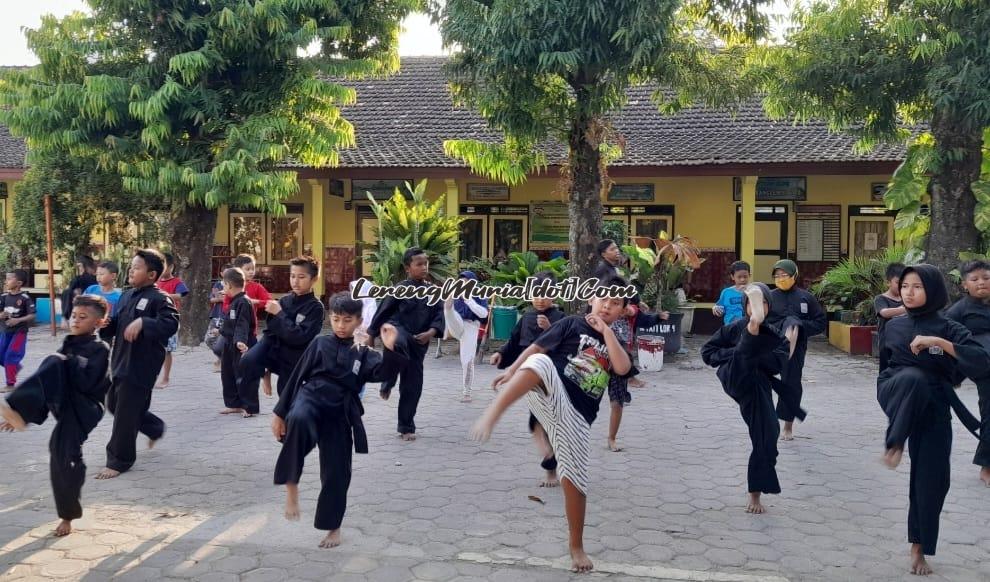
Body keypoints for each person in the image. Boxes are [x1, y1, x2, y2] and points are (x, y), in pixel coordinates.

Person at [470, 286, 634, 574]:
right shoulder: (571, 323)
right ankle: (494, 413)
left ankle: (576, 547)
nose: (608, 306)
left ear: (623, 311)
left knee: (576, 483)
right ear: (590, 300)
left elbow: (621, 368)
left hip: (579, 418)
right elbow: (535, 347)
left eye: (616, 303)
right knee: (539, 361)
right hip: (551, 392)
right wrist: (510, 370)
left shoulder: (616, 340)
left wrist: (606, 333)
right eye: (603, 299)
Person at [877, 264, 989, 576]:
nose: (908, 293)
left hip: (934, 404)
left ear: (933, 291)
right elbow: (884, 365)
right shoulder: (895, 325)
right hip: (896, 392)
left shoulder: (948, 326)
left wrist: (938, 343)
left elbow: (980, 360)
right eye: (905, 286)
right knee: (913, 377)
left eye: (917, 287)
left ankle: (919, 548)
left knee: (933, 479)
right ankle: (895, 442)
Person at [271, 292, 394, 549]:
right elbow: (297, 377)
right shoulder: (319, 343)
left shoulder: (364, 352)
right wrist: (279, 414)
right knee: (299, 418)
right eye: (336, 319)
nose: (340, 325)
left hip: (340, 408)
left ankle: (332, 527)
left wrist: (391, 348)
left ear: (359, 321)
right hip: (312, 396)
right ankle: (291, 487)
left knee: (337, 471)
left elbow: (383, 371)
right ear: (330, 318)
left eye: (347, 320)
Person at [0, 295, 111, 536]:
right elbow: (50, 383)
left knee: (64, 453)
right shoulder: (69, 344)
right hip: (66, 402)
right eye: (73, 316)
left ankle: (67, 516)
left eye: (83, 317)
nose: (76, 321)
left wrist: (64, 362)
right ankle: (19, 411)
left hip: (86, 407)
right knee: (60, 452)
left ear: (99, 322)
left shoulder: (100, 348)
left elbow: (87, 381)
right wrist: (22, 414)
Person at [702, 283, 789, 514]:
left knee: (768, 436)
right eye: (752, 303)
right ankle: (751, 332)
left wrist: (755, 354)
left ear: (768, 307)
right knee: (744, 353)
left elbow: (779, 363)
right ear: (745, 306)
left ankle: (756, 492)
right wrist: (738, 352)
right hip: (735, 376)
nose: (757, 306)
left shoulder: (775, 333)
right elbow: (707, 353)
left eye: (762, 303)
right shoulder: (732, 328)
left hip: (757, 385)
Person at [96, 249, 179, 480]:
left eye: (137, 267)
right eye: (131, 266)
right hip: (121, 360)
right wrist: (105, 325)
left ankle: (119, 460)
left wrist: (144, 322)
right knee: (114, 403)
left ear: (152, 274)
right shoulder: (126, 296)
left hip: (142, 365)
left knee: (124, 412)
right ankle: (153, 427)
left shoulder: (160, 299)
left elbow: (170, 324)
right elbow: (117, 325)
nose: (131, 270)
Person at [490, 272, 566, 485]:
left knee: (549, 423)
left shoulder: (561, 319)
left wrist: (549, 329)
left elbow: (565, 346)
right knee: (535, 424)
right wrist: (501, 354)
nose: (540, 299)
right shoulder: (526, 318)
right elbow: (514, 341)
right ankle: (550, 462)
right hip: (530, 381)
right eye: (536, 294)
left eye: (546, 294)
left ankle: (553, 467)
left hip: (552, 379)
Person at [365, 247, 444, 441]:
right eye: (419, 264)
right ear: (407, 268)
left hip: (419, 344)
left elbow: (439, 316)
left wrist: (431, 333)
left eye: (426, 263)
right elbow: (383, 311)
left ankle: (406, 427)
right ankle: (388, 380)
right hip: (398, 331)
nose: (424, 267)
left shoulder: (433, 291)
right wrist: (371, 335)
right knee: (398, 340)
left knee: (412, 387)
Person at [239, 256, 325, 398]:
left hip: (295, 355)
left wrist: (280, 315)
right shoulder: (285, 300)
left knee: (285, 394)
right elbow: (271, 327)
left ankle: (291, 416)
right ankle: (265, 372)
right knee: (247, 361)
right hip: (274, 346)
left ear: (314, 279)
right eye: (292, 276)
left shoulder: (316, 308)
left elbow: (299, 336)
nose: (295, 281)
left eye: (301, 277)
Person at [766, 259, 826, 441]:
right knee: (760, 381)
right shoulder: (769, 296)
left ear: (794, 275)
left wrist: (799, 326)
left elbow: (820, 323)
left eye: (784, 275)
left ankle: (787, 425)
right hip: (771, 344)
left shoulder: (806, 297)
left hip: (796, 348)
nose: (781, 278)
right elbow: (760, 319)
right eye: (777, 275)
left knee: (791, 383)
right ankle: (765, 420)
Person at [945, 259, 990, 486]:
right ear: (965, 285)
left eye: (986, 278)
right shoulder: (960, 310)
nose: (981, 283)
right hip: (982, 367)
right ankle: (987, 466)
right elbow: (942, 334)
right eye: (975, 279)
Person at [223, 255, 272, 392]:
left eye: (253, 269)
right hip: (232, 333)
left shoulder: (257, 287)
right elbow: (225, 307)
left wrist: (255, 302)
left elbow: (269, 301)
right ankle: (234, 402)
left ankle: (263, 375)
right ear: (238, 271)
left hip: (249, 332)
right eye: (247, 269)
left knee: (251, 364)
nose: (251, 272)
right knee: (230, 367)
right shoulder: (231, 289)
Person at [442, 271, 489, 402]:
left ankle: (467, 393)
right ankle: (447, 330)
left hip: (471, 326)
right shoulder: (456, 295)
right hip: (457, 323)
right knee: (447, 307)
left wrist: (469, 300)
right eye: (461, 282)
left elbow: (484, 314)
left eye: (467, 282)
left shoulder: (480, 294)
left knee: (467, 360)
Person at [218, 267, 259, 417]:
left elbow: (243, 323)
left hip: (243, 344)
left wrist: (240, 341)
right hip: (230, 343)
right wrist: (221, 331)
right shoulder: (235, 301)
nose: (223, 288)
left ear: (228, 285)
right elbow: (230, 322)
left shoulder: (243, 302)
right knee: (227, 374)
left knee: (244, 375)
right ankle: (234, 404)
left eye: (223, 284)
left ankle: (249, 407)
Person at [155, 253, 189, 389]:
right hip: (154, 318)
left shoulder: (177, 282)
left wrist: (165, 295)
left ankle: (166, 377)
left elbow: (181, 295)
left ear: (171, 267)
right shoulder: (155, 281)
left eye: (163, 266)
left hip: (170, 319)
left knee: (167, 350)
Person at [0, 269, 36, 391]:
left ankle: (10, 384)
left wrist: (18, 320)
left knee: (11, 356)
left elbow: (32, 315)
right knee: (1, 356)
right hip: (5, 331)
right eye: (6, 278)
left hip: (19, 332)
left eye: (10, 278)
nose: (6, 281)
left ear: (19, 283)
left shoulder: (25, 298)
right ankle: (15, 367)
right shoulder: (3, 297)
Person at [84, 261, 123, 344]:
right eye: (97, 274)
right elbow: (81, 305)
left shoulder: (118, 297)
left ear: (113, 276)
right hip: (87, 328)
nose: (98, 277)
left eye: (102, 274)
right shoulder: (91, 289)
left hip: (105, 334)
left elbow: (118, 317)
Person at [874, 262, 907, 346]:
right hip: (886, 342)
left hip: (904, 342)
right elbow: (884, 313)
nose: (901, 286)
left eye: (904, 283)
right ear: (888, 282)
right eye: (897, 282)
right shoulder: (881, 299)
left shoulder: (907, 299)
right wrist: (905, 309)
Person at [61, 256, 97, 330]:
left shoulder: (81, 279)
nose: (79, 269)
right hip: (86, 305)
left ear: (84, 266)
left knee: (66, 292)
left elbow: (69, 290)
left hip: (87, 305)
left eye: (80, 266)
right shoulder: (95, 279)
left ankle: (64, 317)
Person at [713, 261, 751, 326]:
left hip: (749, 327)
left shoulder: (755, 291)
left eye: (745, 277)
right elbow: (720, 308)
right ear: (732, 277)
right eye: (739, 277)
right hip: (730, 328)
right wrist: (716, 309)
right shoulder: (726, 292)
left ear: (749, 275)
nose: (742, 280)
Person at [205, 275, 226, 372]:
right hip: (217, 315)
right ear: (221, 273)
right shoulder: (217, 285)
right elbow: (211, 299)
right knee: (209, 339)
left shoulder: (233, 284)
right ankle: (222, 357)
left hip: (228, 316)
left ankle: (222, 361)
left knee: (224, 339)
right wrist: (220, 299)